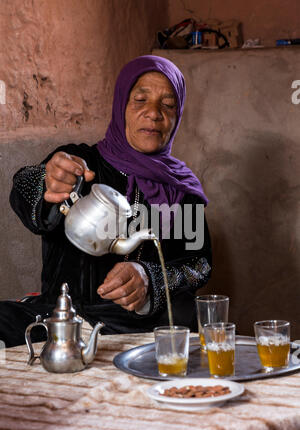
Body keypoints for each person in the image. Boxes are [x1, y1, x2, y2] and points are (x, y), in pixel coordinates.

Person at [3, 55, 212, 347]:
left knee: (185, 316)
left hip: (136, 324)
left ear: (177, 116)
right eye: (140, 100)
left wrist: (150, 278)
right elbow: (26, 190)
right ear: (120, 107)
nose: (153, 113)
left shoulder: (183, 189)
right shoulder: (81, 164)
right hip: (60, 319)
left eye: (167, 104)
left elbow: (199, 263)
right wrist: (43, 181)